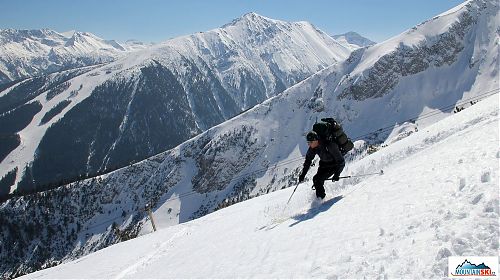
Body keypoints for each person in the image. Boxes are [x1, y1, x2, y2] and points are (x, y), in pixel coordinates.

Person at [298, 131, 345, 199]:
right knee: (316, 180)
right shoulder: (313, 148)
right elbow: (308, 161)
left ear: (316, 140)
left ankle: (321, 200)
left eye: (310, 142)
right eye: (308, 142)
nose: (309, 144)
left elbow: (341, 161)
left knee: (318, 180)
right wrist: (303, 174)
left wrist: (337, 174)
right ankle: (320, 197)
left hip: (334, 165)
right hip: (324, 164)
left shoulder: (329, 145)